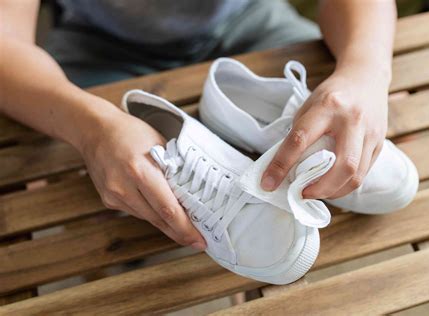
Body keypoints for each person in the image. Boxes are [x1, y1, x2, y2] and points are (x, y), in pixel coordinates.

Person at [0, 0, 396, 251]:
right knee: (56, 189)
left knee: (376, 115)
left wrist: (366, 70)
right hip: (96, 46)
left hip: (248, 15)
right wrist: (90, 127)